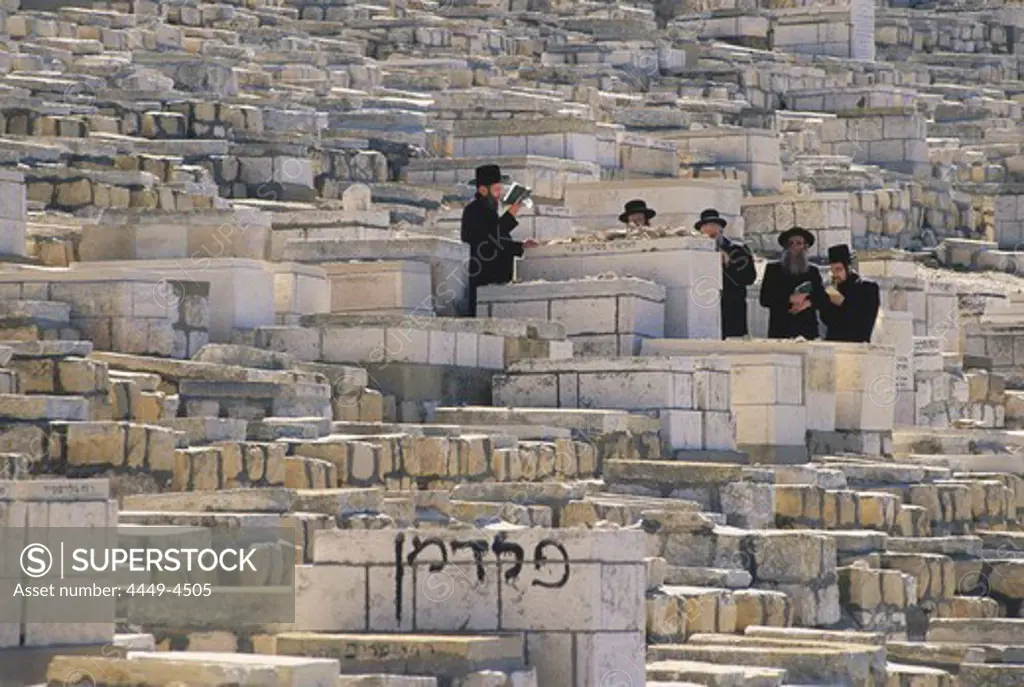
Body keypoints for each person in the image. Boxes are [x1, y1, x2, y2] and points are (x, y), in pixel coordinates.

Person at [460, 164, 533, 317]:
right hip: (483, 277)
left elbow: (499, 239)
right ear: (483, 190)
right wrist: (511, 215)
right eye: (496, 190)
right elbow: (490, 242)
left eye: (500, 189)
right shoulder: (475, 211)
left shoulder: (488, 209)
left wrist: (521, 246)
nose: (499, 194)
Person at [695, 209, 756, 339]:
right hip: (706, 312)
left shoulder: (738, 251)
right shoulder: (697, 254)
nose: (710, 230)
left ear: (721, 230)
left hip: (732, 310)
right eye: (706, 227)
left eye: (713, 228)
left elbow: (749, 278)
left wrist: (729, 265)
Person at [759, 226, 827, 339]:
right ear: (786, 247)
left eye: (799, 243)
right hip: (781, 330)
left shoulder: (812, 271)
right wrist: (789, 299)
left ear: (805, 247)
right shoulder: (773, 270)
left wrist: (807, 303)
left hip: (807, 330)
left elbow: (822, 299)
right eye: (791, 243)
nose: (795, 247)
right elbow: (765, 299)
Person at [820, 244, 881, 343]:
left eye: (838, 269)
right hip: (833, 346)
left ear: (848, 268)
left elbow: (863, 323)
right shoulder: (831, 289)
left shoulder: (867, 288)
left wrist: (843, 303)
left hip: (856, 348)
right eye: (832, 270)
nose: (835, 275)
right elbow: (828, 320)